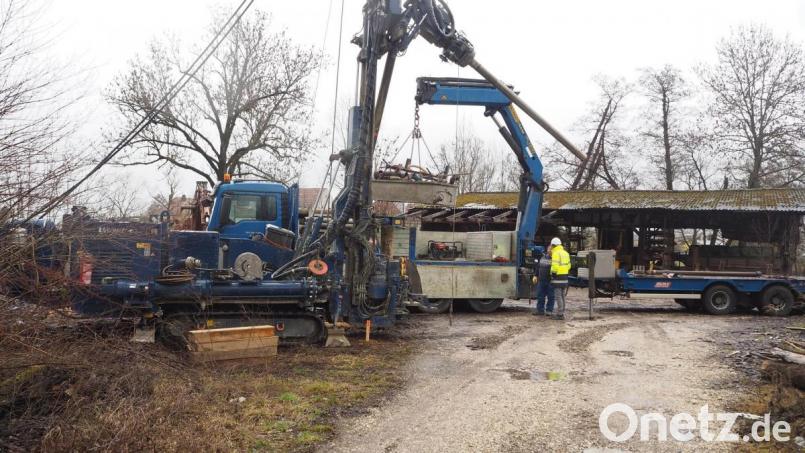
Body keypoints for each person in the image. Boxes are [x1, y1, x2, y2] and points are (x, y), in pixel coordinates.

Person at [549, 237, 571, 320]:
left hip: (557, 277)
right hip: (565, 276)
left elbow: (554, 267)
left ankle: (560, 314)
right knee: (562, 296)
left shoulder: (555, 253)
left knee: (558, 296)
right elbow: (569, 266)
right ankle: (562, 312)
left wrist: (552, 273)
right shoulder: (566, 253)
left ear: (553, 245)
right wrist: (564, 270)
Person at [532, 248, 555, 316]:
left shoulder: (555, 258)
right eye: (549, 249)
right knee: (540, 296)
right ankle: (540, 310)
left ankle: (549, 311)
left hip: (550, 281)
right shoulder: (543, 257)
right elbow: (538, 267)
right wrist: (535, 275)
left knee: (551, 296)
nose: (549, 250)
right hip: (541, 280)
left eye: (551, 249)